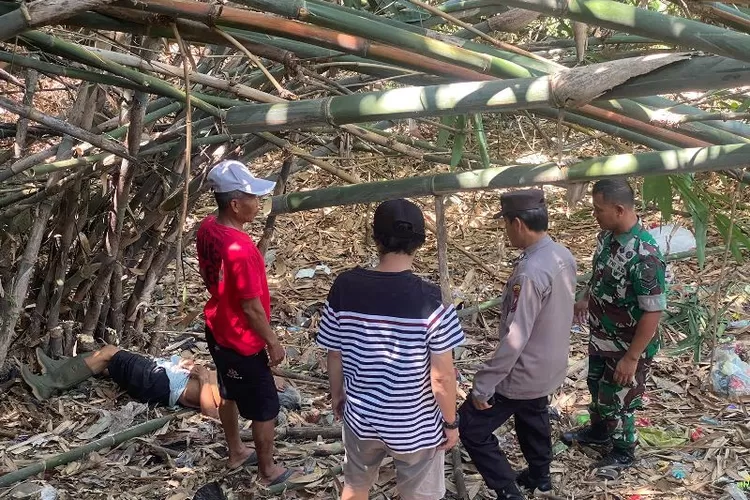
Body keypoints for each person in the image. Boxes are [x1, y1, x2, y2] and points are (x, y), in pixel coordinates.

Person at [317, 199, 465, 500]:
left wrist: (337, 396)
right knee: (420, 495)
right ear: (420, 242)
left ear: (375, 238)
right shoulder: (431, 299)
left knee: (356, 486)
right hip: (415, 425)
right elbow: (442, 378)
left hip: (361, 417)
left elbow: (334, 353)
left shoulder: (345, 286)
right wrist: (451, 423)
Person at [458, 189, 577, 500]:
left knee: (471, 427)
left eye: (506, 224)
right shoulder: (562, 255)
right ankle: (540, 476)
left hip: (523, 369)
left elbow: (515, 337)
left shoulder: (530, 272)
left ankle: (508, 491)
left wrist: (484, 384)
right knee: (533, 412)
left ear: (519, 224)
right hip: (550, 365)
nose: (506, 230)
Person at [196, 160, 295, 481]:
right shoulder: (241, 249)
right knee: (266, 407)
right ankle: (268, 470)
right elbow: (252, 308)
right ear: (235, 204)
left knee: (229, 391)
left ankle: (237, 450)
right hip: (241, 339)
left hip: (217, 326)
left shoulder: (208, 227)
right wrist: (273, 341)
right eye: (253, 198)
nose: (258, 203)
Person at [561, 179, 666, 471]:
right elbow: (600, 273)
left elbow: (653, 312)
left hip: (627, 343)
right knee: (596, 386)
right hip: (603, 335)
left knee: (620, 398)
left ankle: (623, 450)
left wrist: (632, 357)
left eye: (599, 209)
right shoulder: (608, 238)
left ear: (619, 209)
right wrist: (584, 297)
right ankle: (600, 431)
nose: (595, 215)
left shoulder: (645, 255)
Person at [20, 346, 220, 419]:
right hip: (163, 377)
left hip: (161, 382)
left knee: (109, 353)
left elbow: (211, 411)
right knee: (109, 362)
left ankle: (48, 385)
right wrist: (191, 365)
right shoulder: (239, 378)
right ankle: (60, 369)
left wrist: (203, 377)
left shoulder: (240, 392)